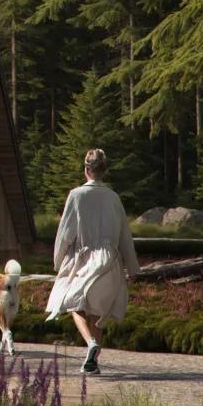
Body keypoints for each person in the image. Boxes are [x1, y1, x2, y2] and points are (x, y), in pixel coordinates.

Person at [45, 147, 139, 374]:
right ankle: (93, 360)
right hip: (109, 260)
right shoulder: (113, 197)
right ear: (103, 170)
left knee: (71, 301)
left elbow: (66, 231)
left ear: (87, 169)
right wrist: (131, 267)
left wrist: (58, 260)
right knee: (97, 311)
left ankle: (91, 343)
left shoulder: (76, 195)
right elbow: (125, 234)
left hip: (85, 257)